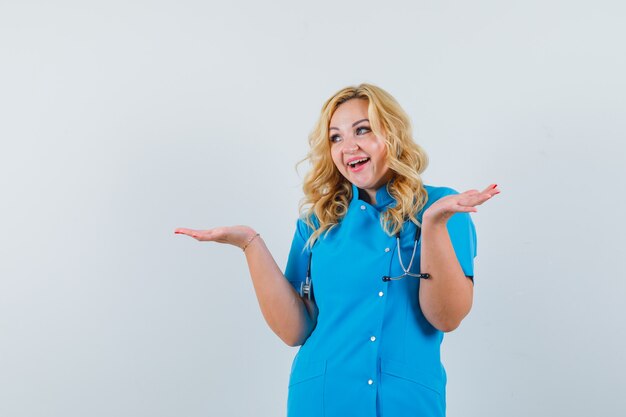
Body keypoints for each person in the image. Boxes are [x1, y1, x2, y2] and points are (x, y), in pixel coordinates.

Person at [174, 83, 500, 417]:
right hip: (322, 400)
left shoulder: (441, 207)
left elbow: (447, 317)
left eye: (363, 130)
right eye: (336, 137)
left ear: (393, 134)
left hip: (405, 402)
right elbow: (294, 330)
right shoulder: (318, 221)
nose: (349, 146)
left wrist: (433, 224)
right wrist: (249, 243)